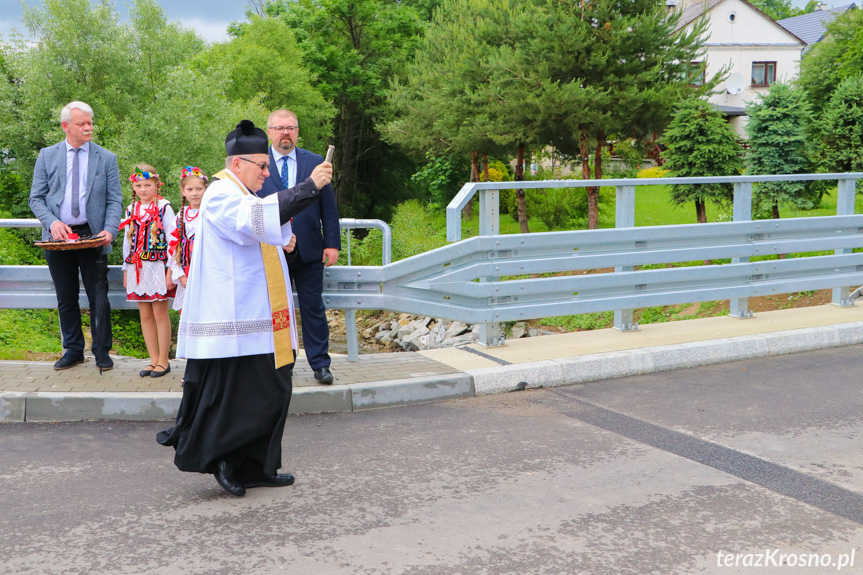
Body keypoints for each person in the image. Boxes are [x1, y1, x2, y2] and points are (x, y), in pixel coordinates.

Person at [157, 119, 333, 497]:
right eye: (262, 166)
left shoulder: (242, 191)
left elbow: (265, 224)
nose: (267, 172)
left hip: (261, 316)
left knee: (274, 389)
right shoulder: (221, 192)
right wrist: (310, 186)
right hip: (232, 319)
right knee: (235, 395)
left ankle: (259, 466)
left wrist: (284, 239)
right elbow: (255, 221)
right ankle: (225, 461)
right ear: (237, 164)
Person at [28, 101, 123, 372]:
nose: (88, 127)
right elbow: (36, 198)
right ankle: (73, 350)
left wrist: (110, 229)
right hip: (58, 237)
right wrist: (53, 222)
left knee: (98, 296)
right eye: (82, 123)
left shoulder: (106, 158)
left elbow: (115, 201)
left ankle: (102, 352)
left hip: (93, 236)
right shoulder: (47, 156)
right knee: (66, 297)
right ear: (66, 126)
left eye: (90, 122)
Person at [260, 109, 340, 385]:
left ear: (297, 132)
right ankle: (283, 365)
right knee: (276, 311)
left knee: (313, 308)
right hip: (272, 251)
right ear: (269, 132)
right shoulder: (259, 164)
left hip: (309, 249)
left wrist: (332, 244)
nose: (285, 133)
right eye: (280, 128)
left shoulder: (315, 162)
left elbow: (329, 207)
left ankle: (320, 364)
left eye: (291, 128)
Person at [120, 165, 176, 378]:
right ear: (133, 186)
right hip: (137, 267)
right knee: (144, 314)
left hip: (157, 265)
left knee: (160, 313)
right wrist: (126, 269)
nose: (143, 189)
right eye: (138, 185)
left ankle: (164, 360)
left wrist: (171, 270)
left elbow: (173, 239)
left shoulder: (164, 207)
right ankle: (152, 359)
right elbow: (128, 242)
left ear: (156, 185)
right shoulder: (131, 209)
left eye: (147, 185)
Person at [168, 166, 208, 313]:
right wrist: (180, 275)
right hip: (186, 273)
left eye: (199, 189)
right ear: (183, 191)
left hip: (206, 274)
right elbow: (172, 247)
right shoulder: (180, 216)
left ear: (205, 189)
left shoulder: (209, 214)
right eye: (190, 189)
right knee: (187, 314)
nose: (195, 193)